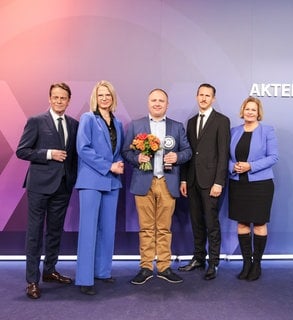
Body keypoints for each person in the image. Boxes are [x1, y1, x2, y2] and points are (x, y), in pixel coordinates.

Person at [122, 88, 192, 285]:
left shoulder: (177, 127)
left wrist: (177, 156)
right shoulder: (137, 125)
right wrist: (137, 158)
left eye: (161, 100)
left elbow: (187, 151)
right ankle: (145, 267)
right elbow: (126, 152)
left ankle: (163, 266)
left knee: (164, 228)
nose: (157, 103)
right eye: (154, 100)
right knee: (145, 228)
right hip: (144, 180)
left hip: (167, 181)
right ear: (148, 103)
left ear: (167, 105)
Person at [16, 82, 78, 299]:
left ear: (69, 100)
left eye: (63, 98)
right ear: (50, 99)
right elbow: (22, 151)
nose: (59, 101)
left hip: (62, 187)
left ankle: (50, 271)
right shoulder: (36, 121)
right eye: (56, 97)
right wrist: (48, 154)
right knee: (34, 235)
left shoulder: (74, 124)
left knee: (54, 232)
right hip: (39, 187)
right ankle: (32, 280)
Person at [75, 80, 124, 295]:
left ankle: (102, 272)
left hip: (112, 182)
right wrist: (109, 166)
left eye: (108, 95)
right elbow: (82, 149)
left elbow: (117, 150)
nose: (105, 98)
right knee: (88, 230)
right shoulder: (88, 118)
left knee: (107, 229)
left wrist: (119, 163)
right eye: (101, 95)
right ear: (96, 97)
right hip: (91, 180)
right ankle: (85, 279)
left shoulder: (119, 123)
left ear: (113, 98)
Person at [179, 83, 230, 280]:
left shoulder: (222, 121)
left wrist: (219, 181)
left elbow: (223, 153)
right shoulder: (191, 122)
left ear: (213, 99)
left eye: (208, 95)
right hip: (192, 181)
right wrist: (183, 179)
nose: (203, 98)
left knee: (211, 223)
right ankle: (198, 258)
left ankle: (214, 262)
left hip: (211, 182)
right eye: (201, 95)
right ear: (196, 97)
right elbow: (188, 152)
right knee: (196, 222)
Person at [228, 96, 278, 281]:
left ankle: (256, 265)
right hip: (238, 184)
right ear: (243, 111)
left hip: (260, 185)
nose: (250, 112)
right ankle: (246, 264)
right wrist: (232, 167)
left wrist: (251, 166)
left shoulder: (267, 131)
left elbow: (273, 157)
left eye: (253, 110)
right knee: (241, 223)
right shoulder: (234, 131)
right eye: (247, 109)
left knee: (258, 223)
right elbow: (225, 158)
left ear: (258, 113)